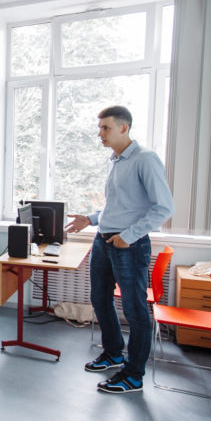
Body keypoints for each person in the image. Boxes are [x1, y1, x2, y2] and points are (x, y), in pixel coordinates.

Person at [65, 105, 174, 394]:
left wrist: (129, 235)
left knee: (135, 309)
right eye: (99, 127)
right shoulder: (114, 160)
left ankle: (133, 375)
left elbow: (164, 207)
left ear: (124, 128)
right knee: (99, 299)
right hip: (104, 240)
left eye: (105, 128)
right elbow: (118, 207)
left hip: (129, 245)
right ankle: (113, 353)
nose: (99, 133)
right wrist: (90, 219)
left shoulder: (145, 159)